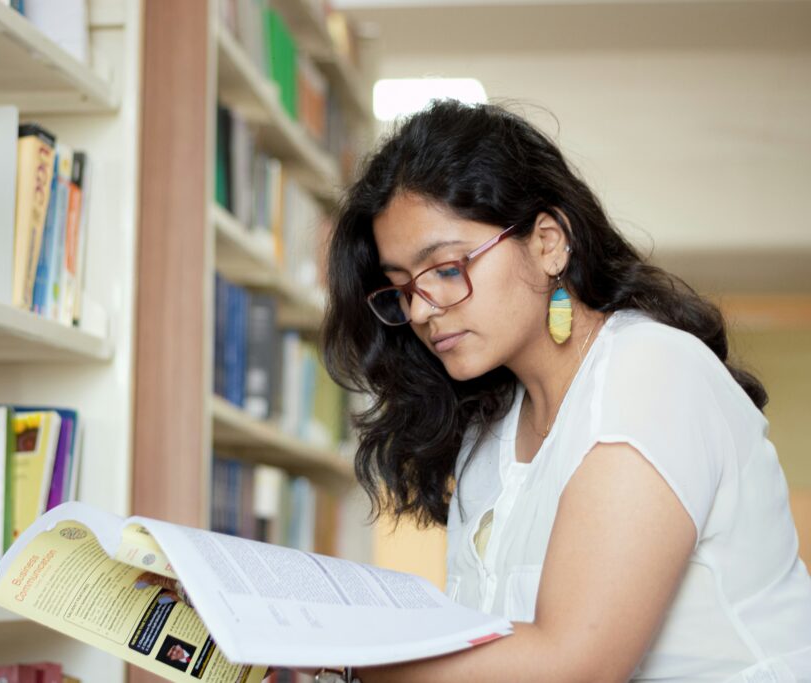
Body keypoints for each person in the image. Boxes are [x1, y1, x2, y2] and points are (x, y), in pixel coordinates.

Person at [315, 100, 811, 682]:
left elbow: (575, 664)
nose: (422, 310)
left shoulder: (649, 371)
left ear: (549, 242)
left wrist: (346, 660)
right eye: (400, 289)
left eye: (447, 269)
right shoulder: (490, 433)